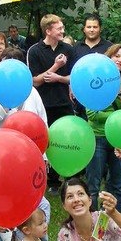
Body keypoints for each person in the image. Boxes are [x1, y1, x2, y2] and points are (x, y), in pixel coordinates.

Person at [85, 44, 121, 213]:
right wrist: (119, 117)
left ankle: (113, 225)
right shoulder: (96, 79)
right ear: (109, 57)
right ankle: (91, 222)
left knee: (116, 184)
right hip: (98, 138)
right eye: (117, 56)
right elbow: (93, 114)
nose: (120, 60)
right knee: (93, 184)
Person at [27, 14, 75, 195]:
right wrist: (55, 66)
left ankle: (69, 176)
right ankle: (52, 180)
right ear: (48, 31)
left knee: (66, 140)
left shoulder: (68, 49)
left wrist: (60, 78)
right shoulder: (35, 50)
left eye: (62, 28)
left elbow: (75, 76)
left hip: (64, 103)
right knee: (47, 142)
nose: (63, 31)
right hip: (43, 105)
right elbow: (35, 81)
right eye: (59, 28)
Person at [0, 47, 47, 132]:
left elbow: (42, 118)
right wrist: (8, 101)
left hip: (27, 140)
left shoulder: (31, 90)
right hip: (1, 139)